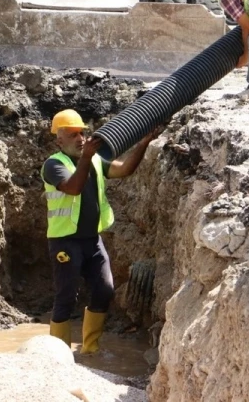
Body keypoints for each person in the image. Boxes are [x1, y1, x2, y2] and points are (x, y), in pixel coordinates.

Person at [43, 109, 161, 353]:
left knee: (105, 289)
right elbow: (73, 188)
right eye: (72, 134)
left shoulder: (95, 160)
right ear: (59, 140)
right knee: (66, 297)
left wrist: (143, 143)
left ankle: (90, 350)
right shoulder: (54, 164)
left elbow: (124, 169)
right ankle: (57, 358)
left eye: (82, 133)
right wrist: (86, 157)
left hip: (91, 241)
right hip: (65, 242)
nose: (80, 138)